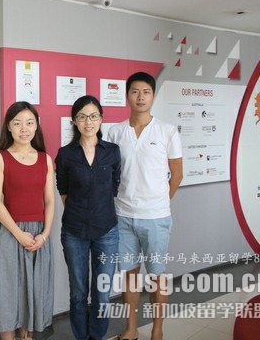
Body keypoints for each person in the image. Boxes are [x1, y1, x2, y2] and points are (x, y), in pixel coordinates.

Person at [106, 72, 183, 340]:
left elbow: (177, 174)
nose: (141, 97)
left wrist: (160, 202)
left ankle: (157, 330)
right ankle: (131, 329)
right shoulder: (115, 132)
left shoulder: (167, 131)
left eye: (146, 92)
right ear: (127, 96)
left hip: (156, 217)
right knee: (129, 275)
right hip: (123, 216)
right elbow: (111, 174)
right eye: (135, 91)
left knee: (156, 276)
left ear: (153, 96)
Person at [0, 101, 56, 340]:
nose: (24, 128)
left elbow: (50, 201)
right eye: (17, 123)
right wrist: (18, 234)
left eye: (29, 123)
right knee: (9, 293)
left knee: (34, 294)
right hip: (9, 234)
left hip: (38, 236)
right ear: (8, 127)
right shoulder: (0, 158)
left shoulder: (45, 159)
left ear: (36, 126)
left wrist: (44, 235)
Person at [56, 95, 121, 340]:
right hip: (75, 231)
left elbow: (114, 185)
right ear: (74, 121)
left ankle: (97, 336)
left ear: (101, 119)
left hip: (107, 231)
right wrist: (81, 209)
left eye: (93, 116)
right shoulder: (65, 154)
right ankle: (81, 336)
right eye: (82, 117)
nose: (88, 121)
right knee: (78, 292)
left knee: (102, 292)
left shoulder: (112, 151)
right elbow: (63, 189)